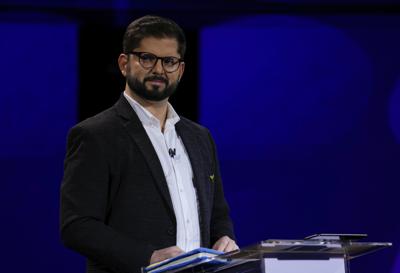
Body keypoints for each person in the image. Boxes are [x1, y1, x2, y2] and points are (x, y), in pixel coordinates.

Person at [60, 15, 237, 273]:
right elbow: (77, 225)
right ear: (124, 64)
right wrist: (149, 257)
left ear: (181, 69)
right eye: (147, 58)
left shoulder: (200, 137)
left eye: (169, 61)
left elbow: (217, 213)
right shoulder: (95, 135)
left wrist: (223, 237)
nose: (158, 70)